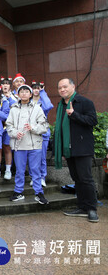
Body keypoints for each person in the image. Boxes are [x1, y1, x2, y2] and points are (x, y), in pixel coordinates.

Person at [56, 78, 99, 223]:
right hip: (69, 149)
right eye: (60, 88)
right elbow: (60, 128)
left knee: (86, 179)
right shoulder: (61, 105)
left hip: (82, 147)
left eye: (65, 87)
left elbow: (93, 121)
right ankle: (82, 206)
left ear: (73, 86)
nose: (62, 90)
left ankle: (92, 209)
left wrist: (74, 114)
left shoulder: (85, 102)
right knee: (76, 179)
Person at [6, 84, 49, 205]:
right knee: (19, 170)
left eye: (26, 92)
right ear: (18, 95)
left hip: (35, 145)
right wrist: (15, 133)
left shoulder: (37, 108)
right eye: (21, 92)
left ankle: (39, 193)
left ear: (31, 94)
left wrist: (33, 128)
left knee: (35, 170)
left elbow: (44, 126)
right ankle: (18, 191)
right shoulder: (13, 109)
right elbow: (9, 125)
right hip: (19, 144)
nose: (24, 93)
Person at [30, 81, 53, 187]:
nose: (36, 90)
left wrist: (43, 92)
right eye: (34, 88)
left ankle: (42, 177)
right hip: (30, 132)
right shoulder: (28, 101)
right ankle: (34, 177)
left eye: (38, 88)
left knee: (42, 156)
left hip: (42, 132)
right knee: (32, 156)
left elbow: (49, 106)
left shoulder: (43, 101)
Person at [0, 76, 16, 180]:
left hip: (8, 126)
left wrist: (9, 97)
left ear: (10, 86)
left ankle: (8, 170)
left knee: (7, 147)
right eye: (3, 83)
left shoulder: (14, 97)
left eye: (7, 83)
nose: (5, 85)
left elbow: (15, 108)